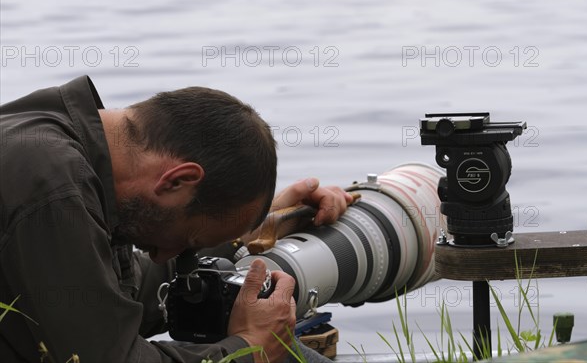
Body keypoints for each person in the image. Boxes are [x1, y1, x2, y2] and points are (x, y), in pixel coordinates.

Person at [0, 76, 353, 363]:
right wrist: (249, 350)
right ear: (177, 181)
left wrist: (248, 234)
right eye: (189, 243)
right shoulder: (51, 186)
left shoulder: (54, 138)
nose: (163, 256)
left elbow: (109, 288)